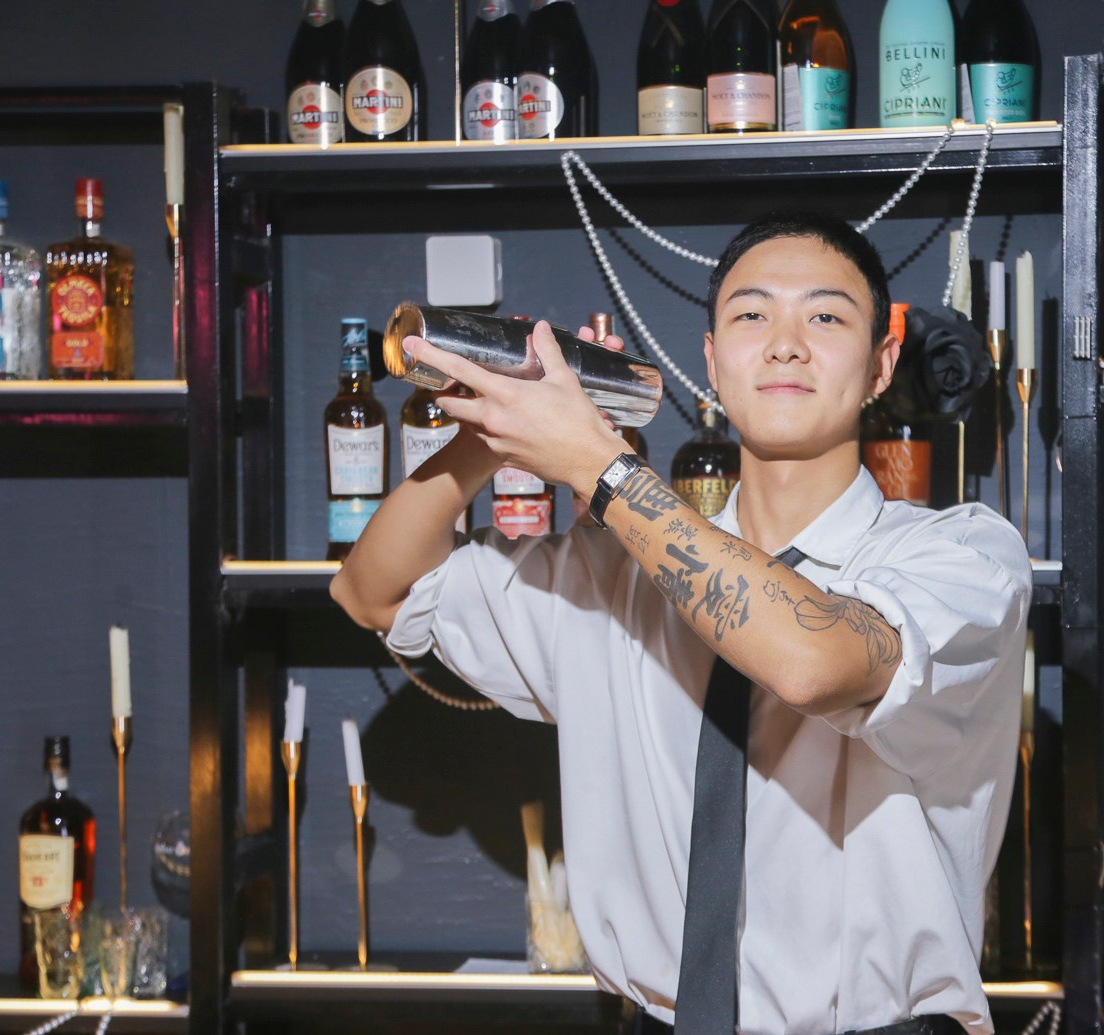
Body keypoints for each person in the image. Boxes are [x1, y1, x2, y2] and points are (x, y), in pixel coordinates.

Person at [331, 212, 1031, 1035]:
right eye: (751, 314)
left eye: (825, 316)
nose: (785, 344)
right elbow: (373, 590)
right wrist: (499, 427)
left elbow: (811, 662)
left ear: (882, 363)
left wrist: (596, 463)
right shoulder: (608, 576)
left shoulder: (964, 557)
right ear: (710, 360)